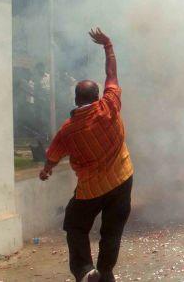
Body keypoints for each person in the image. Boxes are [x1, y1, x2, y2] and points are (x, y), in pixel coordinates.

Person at [39, 28, 133, 282]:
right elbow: (111, 74)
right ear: (96, 96)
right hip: (122, 179)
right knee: (112, 232)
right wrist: (108, 46)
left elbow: (53, 155)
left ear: (76, 99)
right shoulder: (110, 105)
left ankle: (85, 270)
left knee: (75, 225)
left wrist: (46, 170)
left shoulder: (68, 131)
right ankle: (104, 272)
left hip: (91, 189)